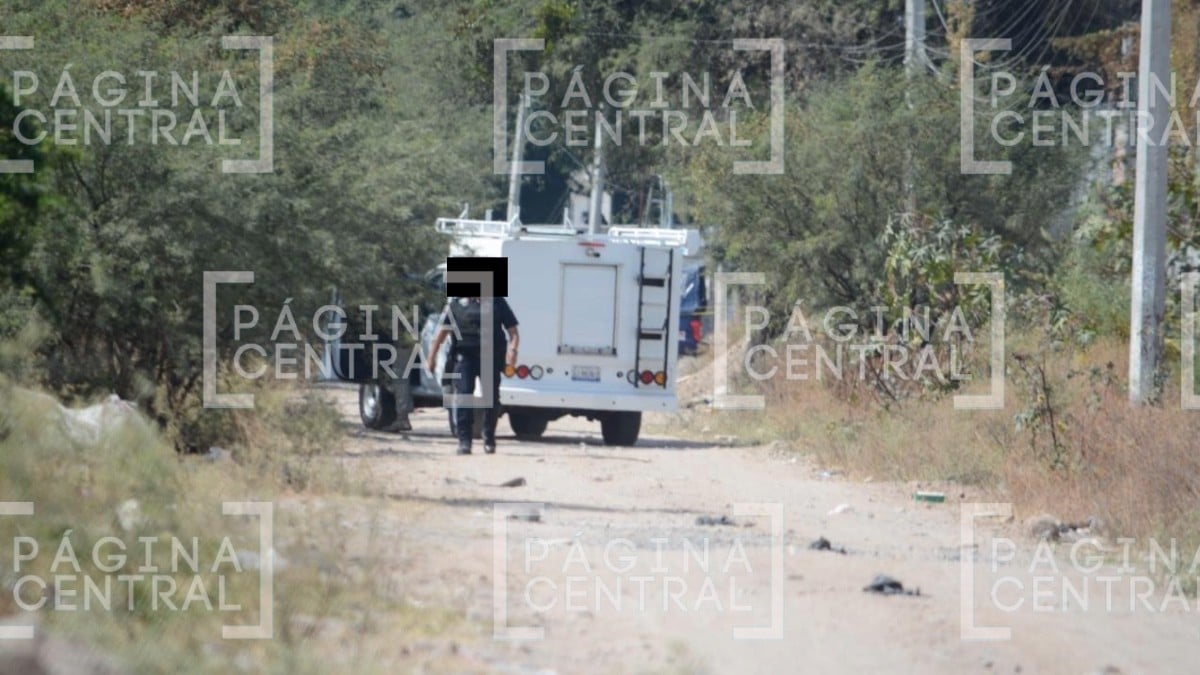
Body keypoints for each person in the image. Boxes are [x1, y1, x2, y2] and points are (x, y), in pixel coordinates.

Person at [427, 296, 519, 454]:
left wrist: (512, 351)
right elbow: (443, 332)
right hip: (465, 357)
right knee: (464, 396)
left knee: (491, 398)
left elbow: (513, 332)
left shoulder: (497, 303)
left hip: (491, 358)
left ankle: (489, 436)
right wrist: (431, 357)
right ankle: (464, 441)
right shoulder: (457, 305)